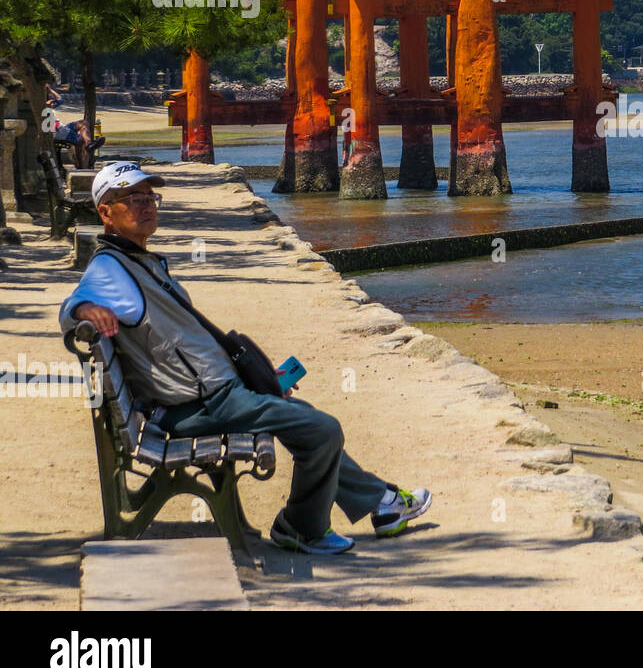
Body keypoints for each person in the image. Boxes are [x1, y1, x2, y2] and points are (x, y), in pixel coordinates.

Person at [58, 160, 430, 554]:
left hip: (212, 393)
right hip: (197, 406)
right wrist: (84, 312)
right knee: (322, 429)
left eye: (150, 196)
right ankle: (301, 528)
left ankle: (381, 503)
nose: (146, 205)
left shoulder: (139, 260)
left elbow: (189, 340)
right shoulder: (110, 268)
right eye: (133, 198)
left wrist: (255, 376)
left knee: (303, 417)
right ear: (105, 213)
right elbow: (70, 305)